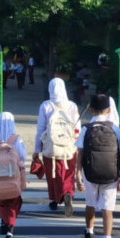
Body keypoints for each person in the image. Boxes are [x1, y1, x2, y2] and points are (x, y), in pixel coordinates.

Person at [75, 94, 120, 238]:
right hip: (110, 175)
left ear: (92, 109)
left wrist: (77, 175)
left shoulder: (86, 128)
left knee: (90, 204)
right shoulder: (115, 128)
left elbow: (80, 153)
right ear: (109, 110)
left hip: (90, 173)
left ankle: (89, 232)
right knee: (107, 209)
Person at [33, 78, 80, 216]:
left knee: (52, 174)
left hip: (51, 147)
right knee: (67, 173)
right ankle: (67, 193)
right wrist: (75, 144)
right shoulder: (72, 106)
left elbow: (40, 129)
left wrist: (37, 150)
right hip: (69, 147)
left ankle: (54, 199)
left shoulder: (45, 106)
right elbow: (77, 128)